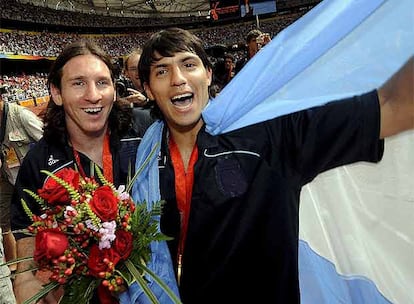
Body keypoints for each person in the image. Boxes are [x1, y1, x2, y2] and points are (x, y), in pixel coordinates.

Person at [132, 28, 413, 303]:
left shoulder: (267, 132)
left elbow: (390, 107)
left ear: (207, 74)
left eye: (188, 64)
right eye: (161, 71)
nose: (178, 79)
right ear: (147, 89)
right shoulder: (145, 156)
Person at [10, 40, 150, 304]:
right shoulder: (39, 160)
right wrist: (29, 285)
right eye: (78, 83)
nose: (93, 95)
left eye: (102, 82)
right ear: (56, 92)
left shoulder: (144, 132)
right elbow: (27, 237)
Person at [0, 85, 43, 274]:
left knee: (34, 223)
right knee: (4, 223)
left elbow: (48, 143)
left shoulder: (21, 116)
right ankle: (14, 266)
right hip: (7, 178)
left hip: (31, 182)